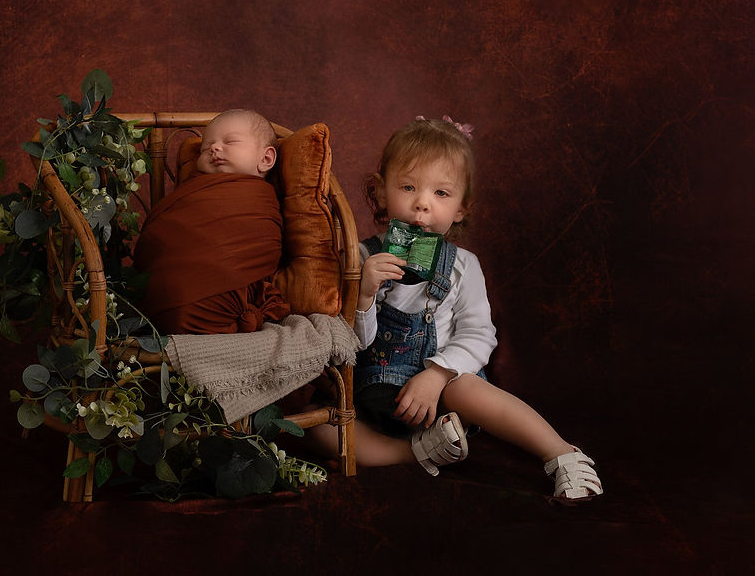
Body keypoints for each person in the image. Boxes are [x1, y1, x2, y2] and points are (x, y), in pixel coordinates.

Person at [310, 117, 602, 502]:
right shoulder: (360, 257)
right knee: (318, 424)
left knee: (466, 385)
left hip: (442, 396)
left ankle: (561, 453)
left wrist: (436, 375)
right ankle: (414, 452)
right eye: (408, 187)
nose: (422, 203)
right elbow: (349, 347)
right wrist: (363, 296)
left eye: (441, 193)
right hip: (374, 396)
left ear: (462, 208)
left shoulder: (463, 265)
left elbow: (480, 334)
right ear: (381, 193)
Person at [134, 110, 291, 334]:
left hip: (223, 299)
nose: (215, 148)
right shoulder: (191, 193)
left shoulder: (260, 201)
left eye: (230, 141)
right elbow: (163, 234)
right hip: (168, 291)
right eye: (206, 148)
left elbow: (261, 244)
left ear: (265, 159)